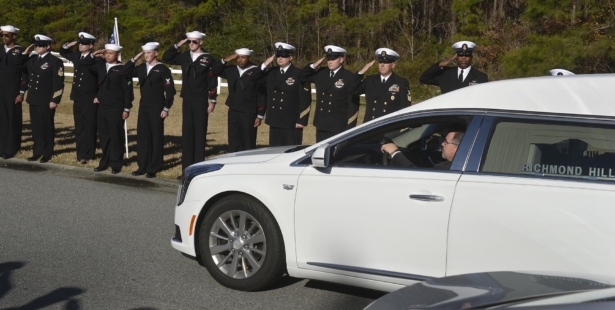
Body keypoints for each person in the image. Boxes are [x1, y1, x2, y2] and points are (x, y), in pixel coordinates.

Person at [162, 31, 218, 174]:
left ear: (201, 42)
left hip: (200, 99)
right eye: (189, 42)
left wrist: (212, 101)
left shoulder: (208, 58)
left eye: (194, 42)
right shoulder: (185, 56)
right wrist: (178, 44)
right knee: (187, 134)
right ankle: (186, 170)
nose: (191, 44)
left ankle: (198, 169)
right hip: (187, 98)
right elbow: (166, 57)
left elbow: (212, 81)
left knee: (199, 134)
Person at [130, 42, 176, 178]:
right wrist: (134, 59)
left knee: (156, 137)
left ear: (156, 53)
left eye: (149, 53)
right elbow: (125, 71)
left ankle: (153, 167)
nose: (146, 56)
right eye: (144, 53)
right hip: (143, 107)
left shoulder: (163, 69)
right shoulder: (142, 68)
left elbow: (170, 91)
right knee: (143, 136)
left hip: (157, 107)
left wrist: (166, 108)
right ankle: (142, 166)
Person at [298, 45, 359, 142]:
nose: (330, 61)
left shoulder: (349, 77)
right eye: (328, 58)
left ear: (341, 59)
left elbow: (353, 105)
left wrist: (350, 127)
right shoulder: (321, 73)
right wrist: (313, 66)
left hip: (338, 124)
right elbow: (301, 77)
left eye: (333, 58)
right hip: (321, 122)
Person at [88, 44, 134, 174]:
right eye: (106, 53)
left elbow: (127, 91)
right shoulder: (101, 66)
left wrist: (126, 108)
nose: (107, 55)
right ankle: (105, 161)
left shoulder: (123, 69)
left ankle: (116, 163)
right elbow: (84, 64)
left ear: (117, 55)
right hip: (102, 107)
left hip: (116, 108)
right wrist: (93, 55)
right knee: (104, 136)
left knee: (116, 137)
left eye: (110, 53)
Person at [211, 48, 265, 152]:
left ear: (249, 58)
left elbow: (262, 95)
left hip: (249, 112)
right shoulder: (232, 70)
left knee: (248, 141)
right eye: (238, 57)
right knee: (234, 139)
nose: (240, 60)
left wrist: (260, 115)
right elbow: (214, 70)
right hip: (233, 110)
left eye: (243, 57)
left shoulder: (256, 72)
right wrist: (226, 59)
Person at [21, 34, 64, 163]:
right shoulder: (32, 59)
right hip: (33, 98)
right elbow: (20, 67)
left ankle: (47, 152)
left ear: (48, 46)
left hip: (46, 100)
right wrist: (24, 55)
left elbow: (58, 83)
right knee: (36, 127)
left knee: (46, 126)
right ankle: (37, 151)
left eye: (40, 45)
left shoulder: (54, 61)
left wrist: (55, 100)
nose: (37, 47)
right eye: (36, 45)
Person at [259, 42, 312, 146]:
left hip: (291, 121)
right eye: (278, 55)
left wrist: (302, 120)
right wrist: (264, 65)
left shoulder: (299, 74)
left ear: (290, 57)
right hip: (274, 119)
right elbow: (255, 79)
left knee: (290, 151)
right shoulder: (271, 72)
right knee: (274, 151)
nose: (280, 58)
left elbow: (305, 99)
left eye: (283, 55)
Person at [60, 32, 99, 164]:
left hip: (90, 98)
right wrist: (72, 43)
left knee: (89, 127)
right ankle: (80, 154)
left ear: (91, 46)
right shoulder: (77, 55)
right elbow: (63, 51)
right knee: (79, 127)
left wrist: (97, 96)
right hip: (77, 96)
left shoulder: (96, 59)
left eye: (83, 43)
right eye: (80, 43)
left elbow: (101, 78)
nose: (80, 45)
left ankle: (89, 155)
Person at [352, 48, 411, 123]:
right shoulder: (370, 80)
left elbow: (405, 107)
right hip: (370, 126)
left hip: (388, 127)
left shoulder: (401, 82)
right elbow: (352, 90)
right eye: (380, 62)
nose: (382, 65)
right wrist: (362, 72)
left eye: (386, 62)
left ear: (393, 65)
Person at [419, 41, 488, 94]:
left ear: (471, 57)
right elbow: (424, 79)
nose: (463, 58)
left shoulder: (481, 77)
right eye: (460, 55)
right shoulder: (445, 74)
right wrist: (440, 64)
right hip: (449, 112)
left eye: (467, 55)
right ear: (456, 57)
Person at [0, 25, 27, 160]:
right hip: (1, 90)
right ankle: (1, 147)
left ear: (14, 36)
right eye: (2, 35)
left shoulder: (20, 52)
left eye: (7, 35)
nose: (4, 38)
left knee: (12, 120)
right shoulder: (0, 50)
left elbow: (25, 75)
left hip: (13, 91)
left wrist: (21, 92)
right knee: (2, 119)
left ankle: (11, 148)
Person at [381, 128, 465, 170]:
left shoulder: (446, 168)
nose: (442, 144)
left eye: (446, 142)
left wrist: (394, 152)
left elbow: (414, 176)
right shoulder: (463, 164)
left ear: (456, 147)